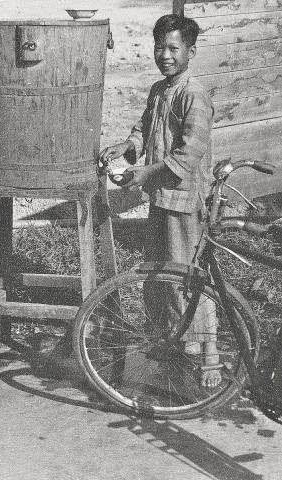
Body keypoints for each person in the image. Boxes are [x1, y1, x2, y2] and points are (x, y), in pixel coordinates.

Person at [100, 14, 221, 388]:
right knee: (161, 277)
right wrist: (127, 147)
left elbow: (189, 155)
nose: (165, 55)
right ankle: (176, 344)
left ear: (191, 51)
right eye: (159, 47)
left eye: (173, 48)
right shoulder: (158, 90)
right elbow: (143, 131)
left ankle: (211, 356)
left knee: (190, 278)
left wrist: (144, 174)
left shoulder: (193, 95)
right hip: (161, 199)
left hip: (186, 202)